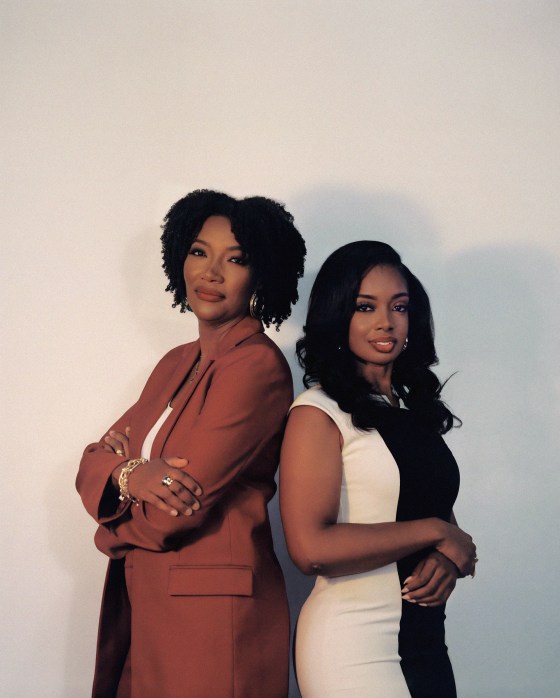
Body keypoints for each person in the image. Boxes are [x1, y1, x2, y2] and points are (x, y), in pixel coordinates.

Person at [76, 189, 306, 698]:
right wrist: (132, 474)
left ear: (261, 274)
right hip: (149, 606)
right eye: (199, 252)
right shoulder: (174, 363)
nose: (212, 272)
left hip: (212, 621)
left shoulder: (256, 368)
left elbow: (171, 514)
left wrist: (114, 508)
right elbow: (92, 462)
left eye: (236, 259)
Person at [280, 241, 477, 698]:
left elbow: (437, 519)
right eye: (365, 307)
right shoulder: (317, 412)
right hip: (353, 642)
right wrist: (435, 532)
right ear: (337, 315)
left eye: (399, 307)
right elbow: (310, 548)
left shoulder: (413, 411)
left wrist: (446, 553)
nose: (386, 322)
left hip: (426, 642)